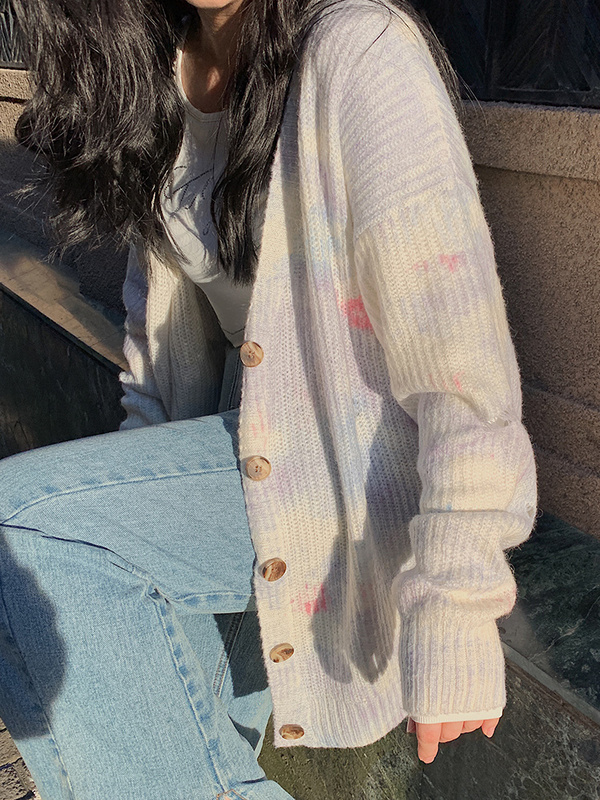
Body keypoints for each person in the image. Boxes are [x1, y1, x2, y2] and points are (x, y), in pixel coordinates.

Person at [0, 0, 538, 797]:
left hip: (354, 476)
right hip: (234, 457)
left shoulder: (359, 49)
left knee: (24, 523)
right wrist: (140, 496)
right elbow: (159, 338)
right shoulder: (156, 73)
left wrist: (457, 595)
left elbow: (461, 360)